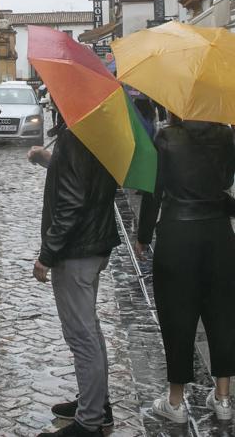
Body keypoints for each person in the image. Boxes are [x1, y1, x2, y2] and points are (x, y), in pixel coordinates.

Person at [136, 117, 235, 423]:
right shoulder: (225, 135)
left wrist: (143, 235)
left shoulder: (165, 138)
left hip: (177, 235)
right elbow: (226, 181)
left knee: (176, 316)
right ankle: (223, 398)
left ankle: (176, 402)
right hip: (218, 234)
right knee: (222, 314)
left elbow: (154, 191)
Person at [32, 117, 120, 437]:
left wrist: (47, 254)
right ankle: (96, 403)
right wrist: (47, 159)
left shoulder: (73, 137)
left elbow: (71, 201)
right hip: (96, 245)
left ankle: (89, 422)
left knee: (82, 338)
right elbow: (83, 177)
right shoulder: (104, 130)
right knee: (90, 332)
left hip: (76, 250)